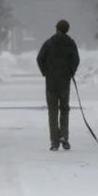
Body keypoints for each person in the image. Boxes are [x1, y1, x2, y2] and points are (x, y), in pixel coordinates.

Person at [36, 19, 80, 151]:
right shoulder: (70, 43)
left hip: (51, 82)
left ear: (56, 28)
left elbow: (39, 58)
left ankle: (54, 141)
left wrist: (45, 72)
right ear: (67, 29)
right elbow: (76, 60)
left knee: (53, 110)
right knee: (65, 109)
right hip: (64, 82)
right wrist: (70, 72)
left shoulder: (49, 43)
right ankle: (64, 137)